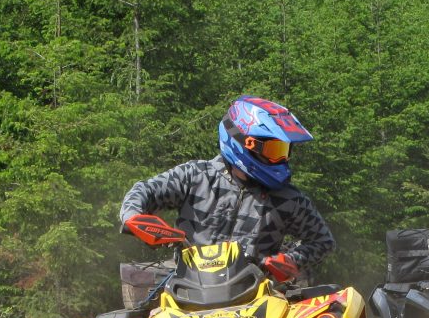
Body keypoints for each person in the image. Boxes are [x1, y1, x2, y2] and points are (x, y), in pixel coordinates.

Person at [120, 95, 335, 284]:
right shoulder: (196, 176)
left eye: (284, 151)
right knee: (134, 316)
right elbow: (145, 190)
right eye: (272, 150)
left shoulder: (287, 198)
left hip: (258, 291)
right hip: (187, 286)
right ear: (242, 142)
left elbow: (322, 241)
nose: (280, 159)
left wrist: (290, 260)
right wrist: (133, 217)